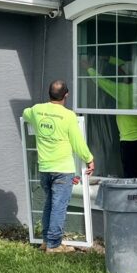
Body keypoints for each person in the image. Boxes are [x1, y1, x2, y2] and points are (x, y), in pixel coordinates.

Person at [22, 80, 95, 254]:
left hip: (45, 168)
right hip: (63, 169)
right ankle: (54, 245)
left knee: (49, 204)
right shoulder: (69, 116)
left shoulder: (37, 110)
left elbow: (25, 113)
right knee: (58, 207)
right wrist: (89, 159)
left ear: (49, 93)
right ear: (66, 95)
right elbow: (78, 143)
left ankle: (46, 242)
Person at [86, 58, 137, 178]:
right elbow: (124, 66)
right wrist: (110, 59)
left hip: (130, 142)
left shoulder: (123, 90)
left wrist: (88, 68)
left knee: (130, 177)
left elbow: (101, 81)